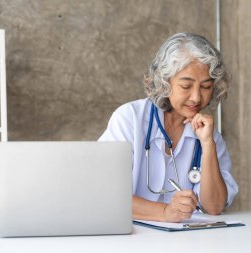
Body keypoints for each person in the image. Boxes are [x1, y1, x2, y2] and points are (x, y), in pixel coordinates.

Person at [99, 32, 238, 222]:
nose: (197, 97)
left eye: (205, 87)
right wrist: (165, 212)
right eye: (186, 86)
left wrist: (207, 144)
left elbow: (214, 207)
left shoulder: (207, 132)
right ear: (164, 82)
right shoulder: (129, 119)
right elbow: (105, 195)